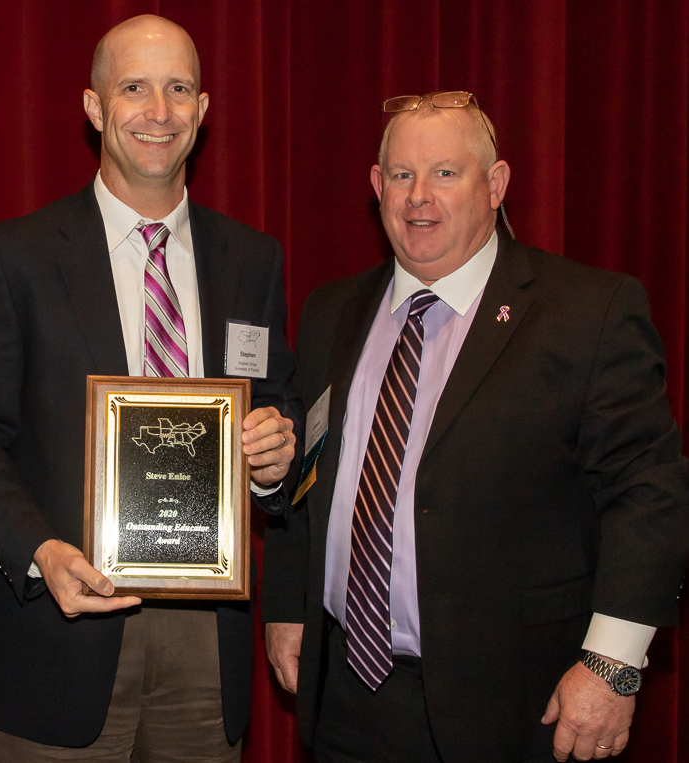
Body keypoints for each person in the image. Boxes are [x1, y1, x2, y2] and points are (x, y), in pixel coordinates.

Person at [262, 92, 689, 763]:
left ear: (495, 185)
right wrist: (287, 608)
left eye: (445, 173)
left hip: (516, 705)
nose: (418, 197)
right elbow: (310, 474)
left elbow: (650, 496)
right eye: (401, 175)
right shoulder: (331, 311)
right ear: (377, 187)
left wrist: (613, 663)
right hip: (345, 693)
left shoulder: (587, 312)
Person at [0, 14, 298, 762]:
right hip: (58, 634)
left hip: (207, 645)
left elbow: (274, 401)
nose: (158, 112)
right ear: (95, 108)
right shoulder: (17, 256)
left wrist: (276, 454)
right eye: (134, 88)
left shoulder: (252, 260)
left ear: (203, 109)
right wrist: (39, 551)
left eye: (178, 89)